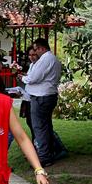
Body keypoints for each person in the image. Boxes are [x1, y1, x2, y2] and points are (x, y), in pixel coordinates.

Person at [22, 38, 65, 166]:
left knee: (39, 127)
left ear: (41, 48)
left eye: (35, 49)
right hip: (49, 95)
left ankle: (44, 157)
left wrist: (24, 78)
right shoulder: (54, 59)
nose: (34, 53)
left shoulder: (45, 59)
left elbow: (33, 78)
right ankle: (51, 151)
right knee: (46, 126)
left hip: (41, 96)